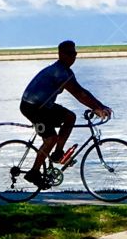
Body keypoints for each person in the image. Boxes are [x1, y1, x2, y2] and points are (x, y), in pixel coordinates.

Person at [19, 40, 111, 187]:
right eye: (69, 54)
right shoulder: (59, 72)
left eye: (74, 53)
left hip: (44, 106)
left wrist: (101, 105)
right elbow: (79, 94)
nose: (72, 57)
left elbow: (82, 91)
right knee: (51, 138)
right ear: (60, 54)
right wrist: (97, 108)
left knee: (70, 117)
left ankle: (58, 154)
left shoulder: (66, 71)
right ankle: (34, 173)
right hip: (32, 107)